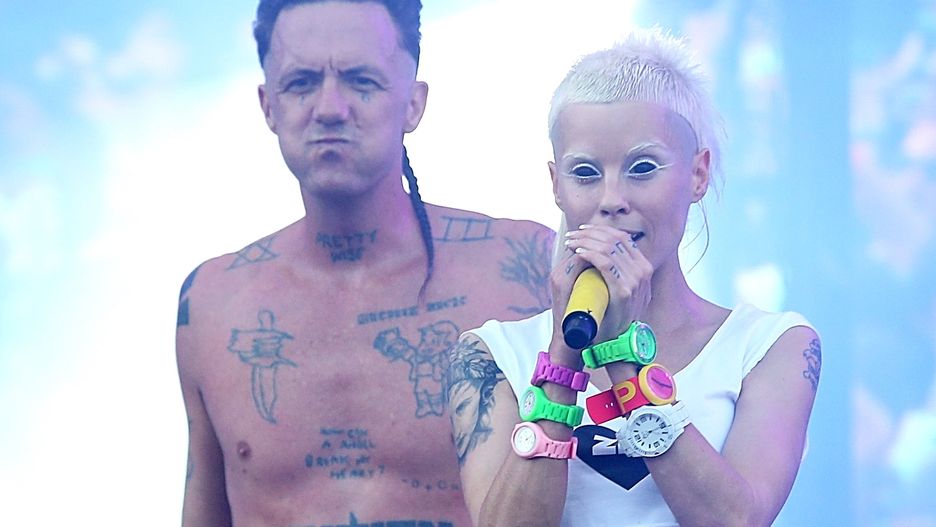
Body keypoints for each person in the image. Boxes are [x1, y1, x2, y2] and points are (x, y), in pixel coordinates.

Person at [175, 1, 554, 525]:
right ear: (268, 105)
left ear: (413, 103)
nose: (330, 108)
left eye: (361, 81)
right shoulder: (212, 303)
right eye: (302, 83)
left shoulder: (526, 269)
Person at [447, 28, 821, 526]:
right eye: (585, 173)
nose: (611, 199)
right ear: (556, 185)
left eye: (642, 168)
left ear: (697, 174)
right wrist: (565, 358)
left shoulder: (770, 345)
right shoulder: (492, 354)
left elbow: (735, 521)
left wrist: (621, 355)